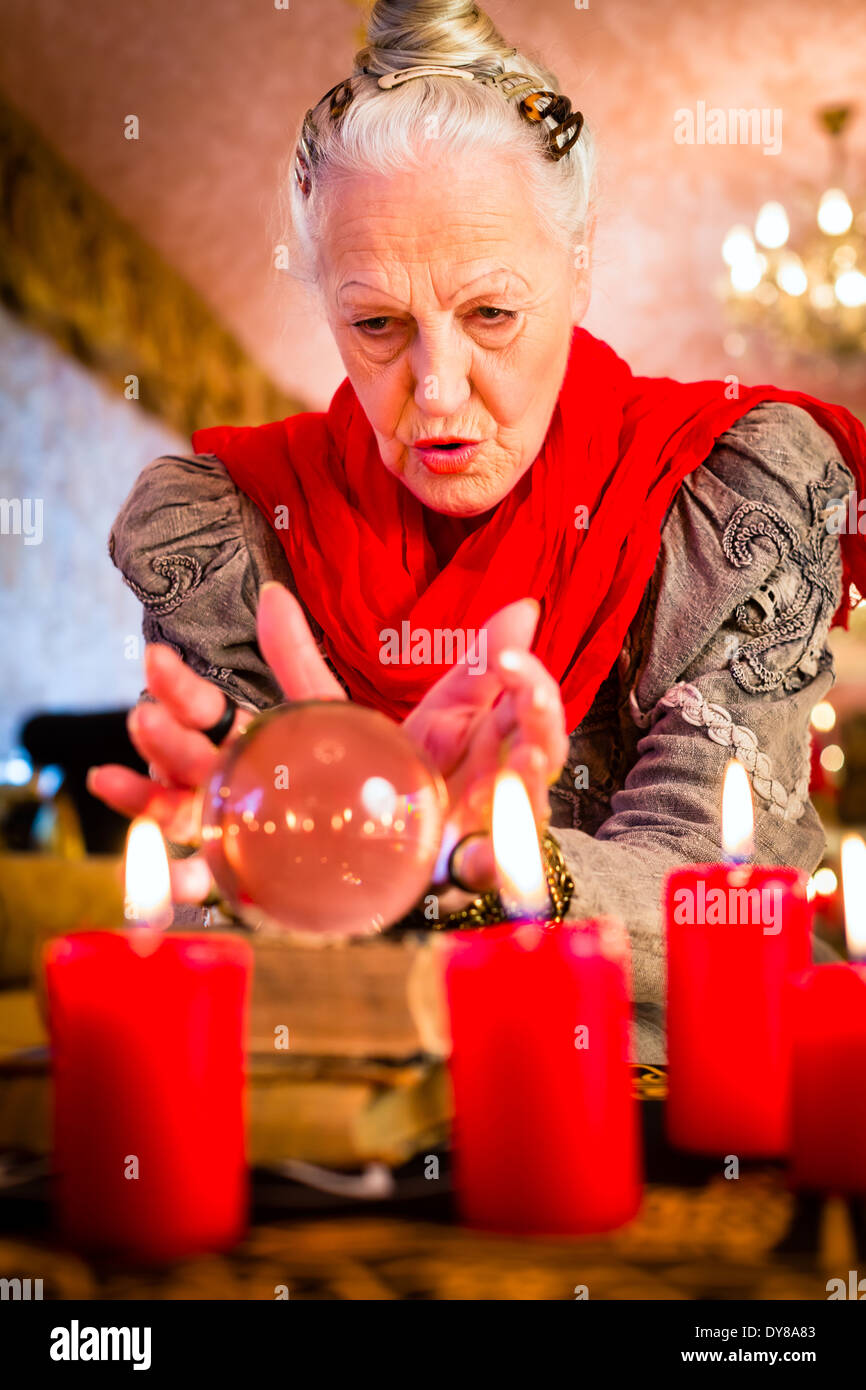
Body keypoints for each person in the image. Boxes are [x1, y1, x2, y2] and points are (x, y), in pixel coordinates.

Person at [89, 0, 866, 1062]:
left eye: (491, 314)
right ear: (322, 299)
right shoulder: (227, 532)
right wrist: (246, 868)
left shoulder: (727, 491)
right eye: (376, 324)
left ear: (578, 263)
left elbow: (726, 894)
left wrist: (423, 847)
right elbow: (228, 954)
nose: (438, 391)